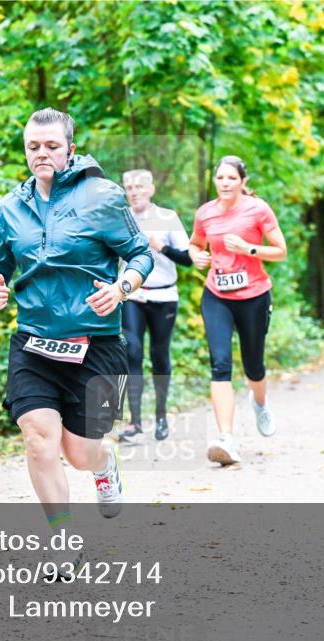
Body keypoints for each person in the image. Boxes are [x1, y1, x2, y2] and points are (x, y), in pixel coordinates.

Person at [0, 109, 154, 555]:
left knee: (81, 453)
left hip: (96, 344)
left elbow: (140, 255)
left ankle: (105, 463)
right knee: (39, 438)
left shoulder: (103, 197)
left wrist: (121, 288)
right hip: (34, 342)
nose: (42, 153)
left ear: (70, 149)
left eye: (52, 146)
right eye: (33, 146)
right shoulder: (9, 209)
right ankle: (62, 537)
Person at [188, 156, 287, 466]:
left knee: (253, 366)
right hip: (217, 294)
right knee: (220, 364)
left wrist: (249, 249)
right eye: (220, 178)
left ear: (242, 182)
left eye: (231, 178)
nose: (225, 183)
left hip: (255, 295)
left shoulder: (258, 209)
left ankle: (259, 402)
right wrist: (195, 256)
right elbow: (195, 243)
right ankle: (226, 439)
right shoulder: (205, 213)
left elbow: (281, 251)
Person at [118, 169, 192, 445]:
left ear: (150, 190)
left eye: (139, 186)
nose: (134, 191)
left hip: (164, 297)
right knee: (132, 352)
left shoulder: (167, 218)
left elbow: (187, 259)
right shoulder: (120, 218)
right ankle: (135, 422)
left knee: (159, 356)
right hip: (132, 295)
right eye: (129, 186)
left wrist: (160, 246)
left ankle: (161, 416)